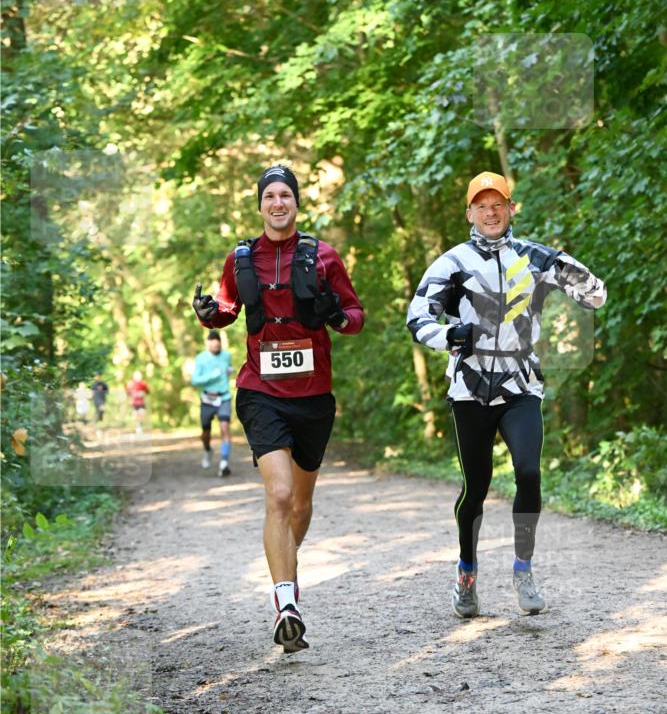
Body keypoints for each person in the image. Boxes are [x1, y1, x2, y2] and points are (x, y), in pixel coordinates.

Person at [407, 171, 606, 620]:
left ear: (511, 208)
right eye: (482, 206)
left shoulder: (534, 257)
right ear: (469, 214)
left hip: (521, 386)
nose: (491, 213)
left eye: (498, 204)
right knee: (475, 488)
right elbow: (417, 318)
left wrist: (583, 286)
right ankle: (466, 572)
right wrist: (449, 336)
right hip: (470, 389)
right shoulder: (451, 263)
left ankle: (523, 570)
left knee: (529, 473)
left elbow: (595, 294)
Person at [192, 164, 364, 653]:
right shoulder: (241, 258)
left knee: (301, 506)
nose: (278, 203)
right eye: (269, 195)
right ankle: (286, 605)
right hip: (260, 391)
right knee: (281, 494)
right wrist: (210, 314)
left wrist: (335, 314)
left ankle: (285, 562)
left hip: (314, 396)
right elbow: (228, 309)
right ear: (260, 205)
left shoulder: (324, 256)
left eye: (285, 194)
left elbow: (355, 318)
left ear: (296, 203)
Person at [191, 329, 234, 475]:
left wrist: (230, 370)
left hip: (224, 397)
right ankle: (207, 449)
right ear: (208, 344)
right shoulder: (200, 358)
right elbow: (195, 380)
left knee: (224, 428)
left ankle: (224, 462)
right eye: (213, 346)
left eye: (218, 346)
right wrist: (212, 376)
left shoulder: (226, 356)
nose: (216, 348)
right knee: (206, 433)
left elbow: (228, 368)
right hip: (207, 399)